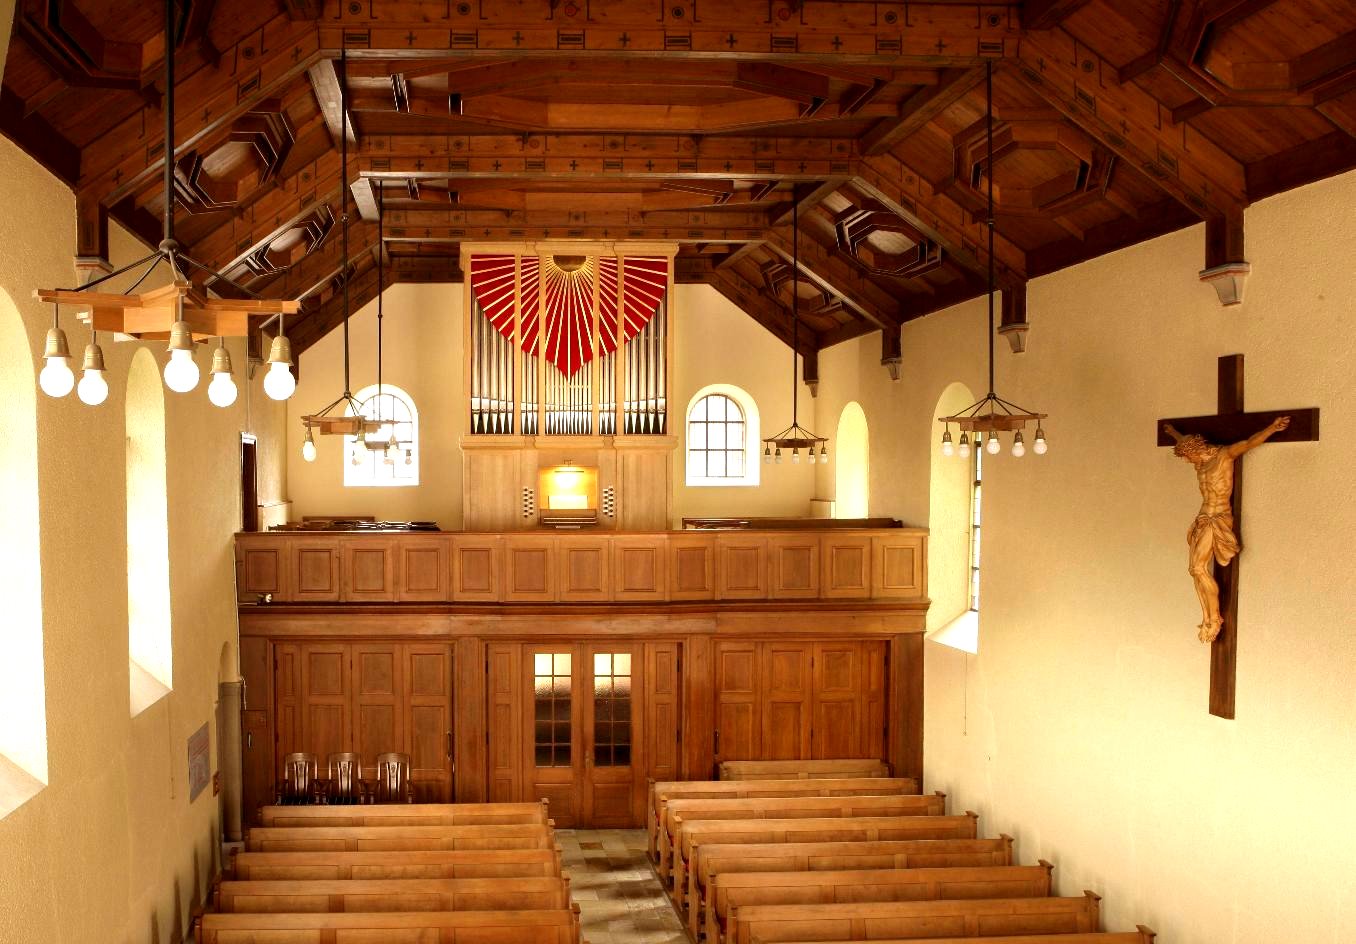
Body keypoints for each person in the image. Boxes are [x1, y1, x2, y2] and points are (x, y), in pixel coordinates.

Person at [1162, 415, 1290, 642]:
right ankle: (1207, 616)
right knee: (1194, 570)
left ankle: (1215, 618)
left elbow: (1249, 443)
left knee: (1198, 568)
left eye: (1187, 455)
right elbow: (1185, 440)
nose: (1186, 460)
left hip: (1218, 518)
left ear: (1196, 449)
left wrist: (1272, 428)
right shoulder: (1199, 463)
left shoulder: (1224, 456)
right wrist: (1172, 432)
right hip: (1203, 516)